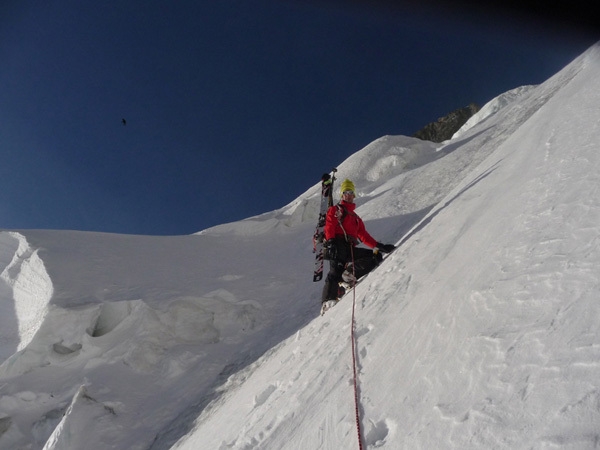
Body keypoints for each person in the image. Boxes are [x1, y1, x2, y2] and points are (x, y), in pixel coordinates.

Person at [321, 179, 395, 313]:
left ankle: (348, 275)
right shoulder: (336, 210)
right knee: (334, 271)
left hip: (349, 247)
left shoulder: (356, 218)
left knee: (374, 256)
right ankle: (327, 301)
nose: (348, 195)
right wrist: (331, 242)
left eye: (351, 192)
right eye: (346, 192)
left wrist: (379, 246)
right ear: (342, 195)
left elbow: (363, 236)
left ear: (354, 195)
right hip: (337, 244)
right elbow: (330, 225)